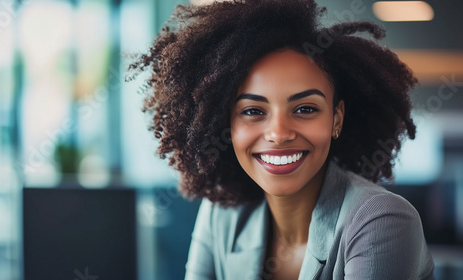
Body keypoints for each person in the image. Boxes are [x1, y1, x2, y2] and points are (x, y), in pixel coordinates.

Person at [128, 0, 435, 279]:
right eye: (252, 110)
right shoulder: (221, 214)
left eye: (305, 108)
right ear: (226, 123)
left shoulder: (380, 219)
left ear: (336, 119)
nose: (278, 133)